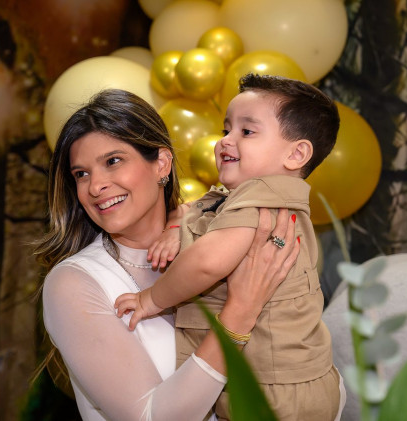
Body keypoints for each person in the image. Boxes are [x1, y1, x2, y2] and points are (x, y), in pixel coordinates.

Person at [35, 88, 300, 421]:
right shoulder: (73, 284)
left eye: (113, 161)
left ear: (161, 163)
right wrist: (240, 312)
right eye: (81, 174)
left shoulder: (220, 242)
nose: (95, 186)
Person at [115, 74, 346, 421]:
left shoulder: (261, 202)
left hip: (273, 395)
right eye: (226, 129)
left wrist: (152, 299)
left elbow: (207, 262)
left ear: (296, 153)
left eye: (246, 131)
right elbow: (198, 208)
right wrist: (176, 227)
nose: (226, 141)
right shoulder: (260, 199)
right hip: (293, 383)